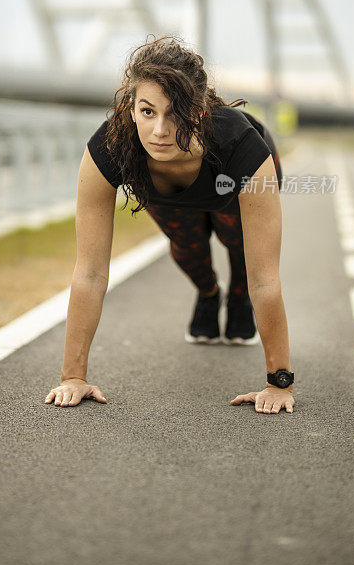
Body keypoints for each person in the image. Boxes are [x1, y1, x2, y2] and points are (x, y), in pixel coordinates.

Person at [44, 36, 295, 415]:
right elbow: (90, 272)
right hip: (167, 195)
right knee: (187, 245)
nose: (160, 130)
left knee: (240, 246)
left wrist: (279, 384)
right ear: (130, 109)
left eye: (175, 113)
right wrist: (72, 378)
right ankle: (209, 293)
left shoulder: (240, 144)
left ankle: (237, 298)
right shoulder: (110, 147)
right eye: (147, 112)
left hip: (230, 184)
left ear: (199, 109)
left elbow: (268, 278)